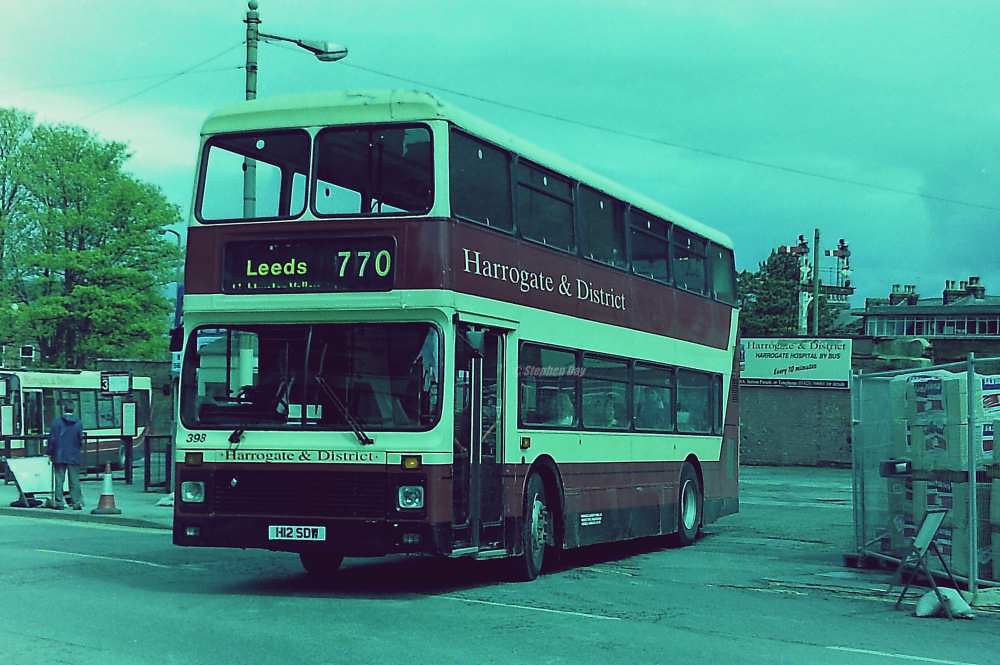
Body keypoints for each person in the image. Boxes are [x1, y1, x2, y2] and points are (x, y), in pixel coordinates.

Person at [47, 402, 84, 510]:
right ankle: (76, 502)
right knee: (74, 480)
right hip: (73, 454)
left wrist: (50, 453)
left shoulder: (56, 422)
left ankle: (59, 502)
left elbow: (52, 439)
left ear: (63, 409)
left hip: (59, 454)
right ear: (74, 409)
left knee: (59, 479)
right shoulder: (78, 423)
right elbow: (80, 439)